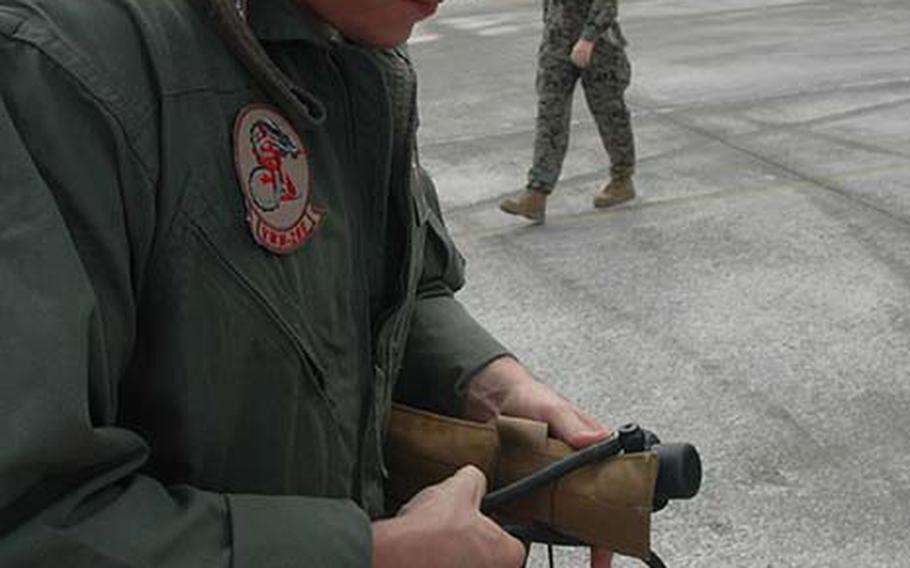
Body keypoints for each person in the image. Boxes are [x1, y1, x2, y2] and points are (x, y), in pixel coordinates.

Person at [0, 0, 614, 566]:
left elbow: (396, 287)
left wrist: (487, 382)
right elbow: (30, 521)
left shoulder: (357, 41)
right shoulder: (52, 65)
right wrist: (372, 556)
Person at [500, 0, 636, 223]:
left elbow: (606, 3)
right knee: (550, 117)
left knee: (610, 114)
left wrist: (588, 38)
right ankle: (537, 192)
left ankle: (622, 178)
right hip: (557, 43)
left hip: (597, 45)